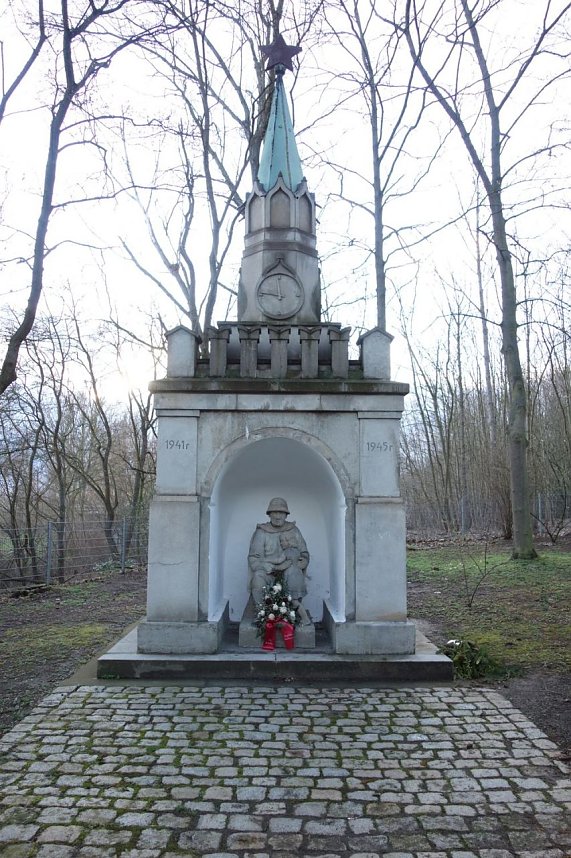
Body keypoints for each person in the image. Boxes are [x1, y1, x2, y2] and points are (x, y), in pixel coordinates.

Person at [248, 497, 312, 624]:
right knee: (258, 578)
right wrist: (264, 566)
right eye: (274, 512)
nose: (278, 516)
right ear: (269, 514)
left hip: (289, 571)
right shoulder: (261, 532)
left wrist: (302, 562)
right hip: (269, 572)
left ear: (286, 515)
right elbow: (254, 558)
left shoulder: (294, 530)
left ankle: (292, 613)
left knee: (293, 574)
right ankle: (263, 613)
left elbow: (304, 553)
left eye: (281, 513)